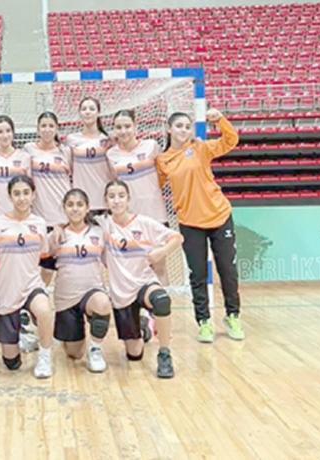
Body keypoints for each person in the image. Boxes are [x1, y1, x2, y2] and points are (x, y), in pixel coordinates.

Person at [156, 108, 244, 343]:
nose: (184, 130)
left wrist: (220, 120)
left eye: (187, 126)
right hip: (189, 223)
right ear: (169, 129)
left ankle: (233, 316)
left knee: (227, 271)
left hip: (219, 216)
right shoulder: (163, 160)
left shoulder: (200, 148)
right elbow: (154, 187)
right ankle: (204, 321)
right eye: (179, 126)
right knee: (198, 275)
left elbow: (231, 140)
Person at [100, 180, 183, 378]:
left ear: (128, 199)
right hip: (121, 294)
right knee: (134, 354)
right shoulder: (102, 225)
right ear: (105, 201)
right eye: (112, 197)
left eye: (121, 196)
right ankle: (144, 328)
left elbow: (177, 238)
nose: (117, 201)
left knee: (161, 300)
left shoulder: (144, 223)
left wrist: (161, 252)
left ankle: (164, 354)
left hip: (144, 284)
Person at [0, 175, 55, 379]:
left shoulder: (39, 223)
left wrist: (42, 287)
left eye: (26, 193)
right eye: (16, 193)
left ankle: (45, 357)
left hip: (32, 286)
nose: (22, 198)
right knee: (12, 364)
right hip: (7, 291)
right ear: (10, 197)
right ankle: (23, 338)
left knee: (44, 311)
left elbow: (45, 262)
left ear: (33, 195)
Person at [49, 188, 112, 372]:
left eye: (79, 205)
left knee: (102, 303)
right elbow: (42, 264)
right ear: (64, 208)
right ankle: (73, 335)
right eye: (70, 205)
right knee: (75, 354)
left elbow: (110, 262)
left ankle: (95, 349)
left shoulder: (99, 232)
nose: (75, 209)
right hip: (66, 298)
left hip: (91, 291)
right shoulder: (56, 236)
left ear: (87, 208)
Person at [107, 109, 170, 287]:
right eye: (119, 127)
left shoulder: (151, 146)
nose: (123, 131)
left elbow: (165, 168)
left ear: (135, 126)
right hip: (129, 218)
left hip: (155, 214)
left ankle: (161, 303)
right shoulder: (111, 154)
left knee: (158, 267)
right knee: (134, 268)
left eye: (127, 126)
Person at [64, 97, 115, 215]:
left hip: (104, 201)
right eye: (84, 109)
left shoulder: (107, 140)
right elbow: (69, 169)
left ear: (99, 113)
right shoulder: (71, 140)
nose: (87, 112)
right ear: (79, 113)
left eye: (92, 109)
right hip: (81, 202)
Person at [23, 112, 72, 228]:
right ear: (38, 129)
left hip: (62, 213)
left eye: (51, 126)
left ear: (56, 129)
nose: (47, 130)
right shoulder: (29, 149)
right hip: (39, 214)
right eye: (43, 126)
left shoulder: (65, 151)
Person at [0, 115, 31, 223]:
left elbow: (30, 188)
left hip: (20, 214)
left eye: (8, 131)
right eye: (0, 132)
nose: (5, 136)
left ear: (13, 132)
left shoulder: (24, 157)